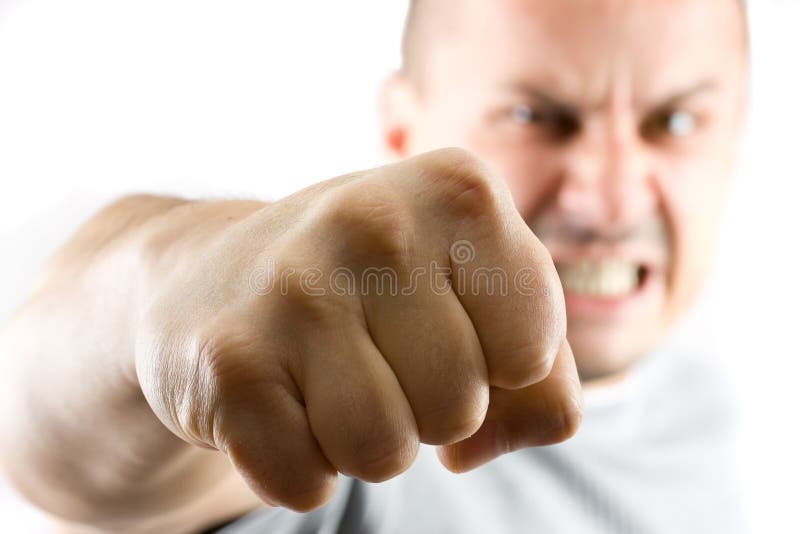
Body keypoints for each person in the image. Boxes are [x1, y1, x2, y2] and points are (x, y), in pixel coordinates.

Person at [0, 0, 749, 532]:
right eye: (534, 117)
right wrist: (174, 291)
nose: (611, 199)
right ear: (402, 126)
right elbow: (58, 452)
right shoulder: (344, 407)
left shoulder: (706, 406)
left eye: (675, 122)